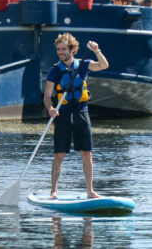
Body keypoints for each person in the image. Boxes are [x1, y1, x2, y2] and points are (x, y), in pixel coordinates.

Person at [43, 33, 108, 200]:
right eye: (58, 49)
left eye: (64, 49)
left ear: (72, 49)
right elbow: (47, 95)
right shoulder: (55, 70)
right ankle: (53, 192)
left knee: (87, 154)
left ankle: (90, 191)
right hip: (62, 115)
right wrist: (50, 108)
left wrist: (96, 50)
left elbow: (104, 65)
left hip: (81, 113)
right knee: (59, 155)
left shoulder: (84, 65)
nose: (60, 52)